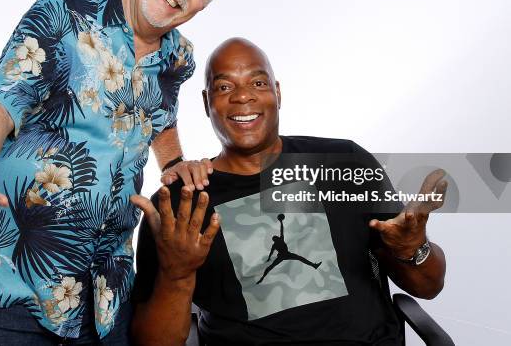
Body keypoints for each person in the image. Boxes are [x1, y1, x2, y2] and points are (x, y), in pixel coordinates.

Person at [0, 0, 232, 345]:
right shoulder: (60, 15)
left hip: (108, 293)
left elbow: (161, 116)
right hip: (20, 287)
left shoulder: (179, 58)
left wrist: (172, 162)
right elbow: (5, 96)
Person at [130, 38, 447, 346]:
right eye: (224, 87)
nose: (243, 97)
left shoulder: (345, 164)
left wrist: (412, 249)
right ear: (206, 102)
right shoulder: (178, 204)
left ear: (277, 93)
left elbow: (428, 286)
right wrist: (176, 275)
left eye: (257, 83)